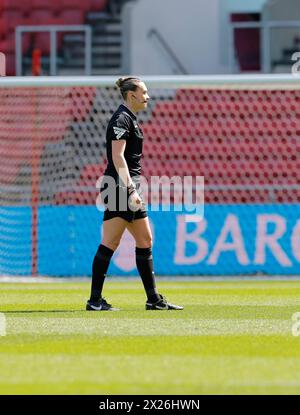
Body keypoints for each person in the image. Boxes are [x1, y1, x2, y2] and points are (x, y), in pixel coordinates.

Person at [86, 76, 183, 311]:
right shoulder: (121, 119)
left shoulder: (129, 119)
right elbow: (117, 157)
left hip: (124, 186)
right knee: (112, 242)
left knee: (143, 240)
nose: (147, 96)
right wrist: (130, 189)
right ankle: (96, 301)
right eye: (144, 92)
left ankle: (152, 299)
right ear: (132, 95)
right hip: (120, 187)